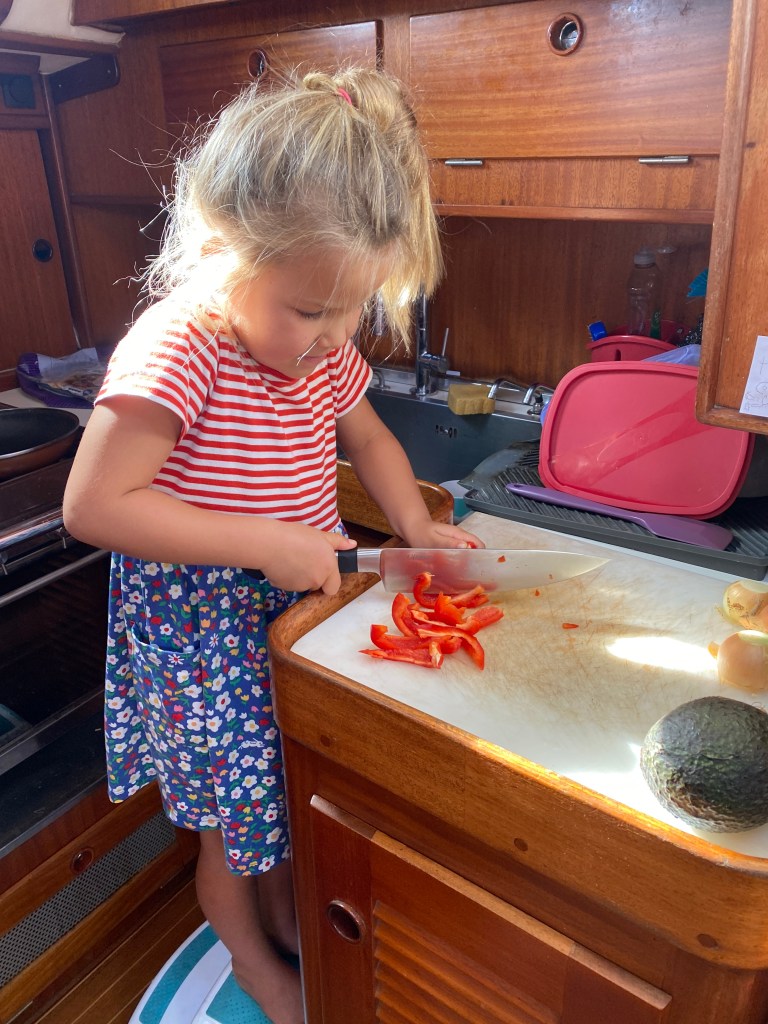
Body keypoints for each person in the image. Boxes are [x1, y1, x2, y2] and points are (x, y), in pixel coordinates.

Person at [63, 66, 482, 1024]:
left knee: (290, 795)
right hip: (202, 634)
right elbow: (93, 506)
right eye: (310, 310)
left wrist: (414, 523)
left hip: (288, 607)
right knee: (231, 828)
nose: (333, 336)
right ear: (223, 251)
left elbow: (368, 437)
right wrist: (262, 542)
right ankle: (256, 964)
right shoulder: (180, 348)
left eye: (351, 310)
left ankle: (293, 927)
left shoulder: (321, 346)